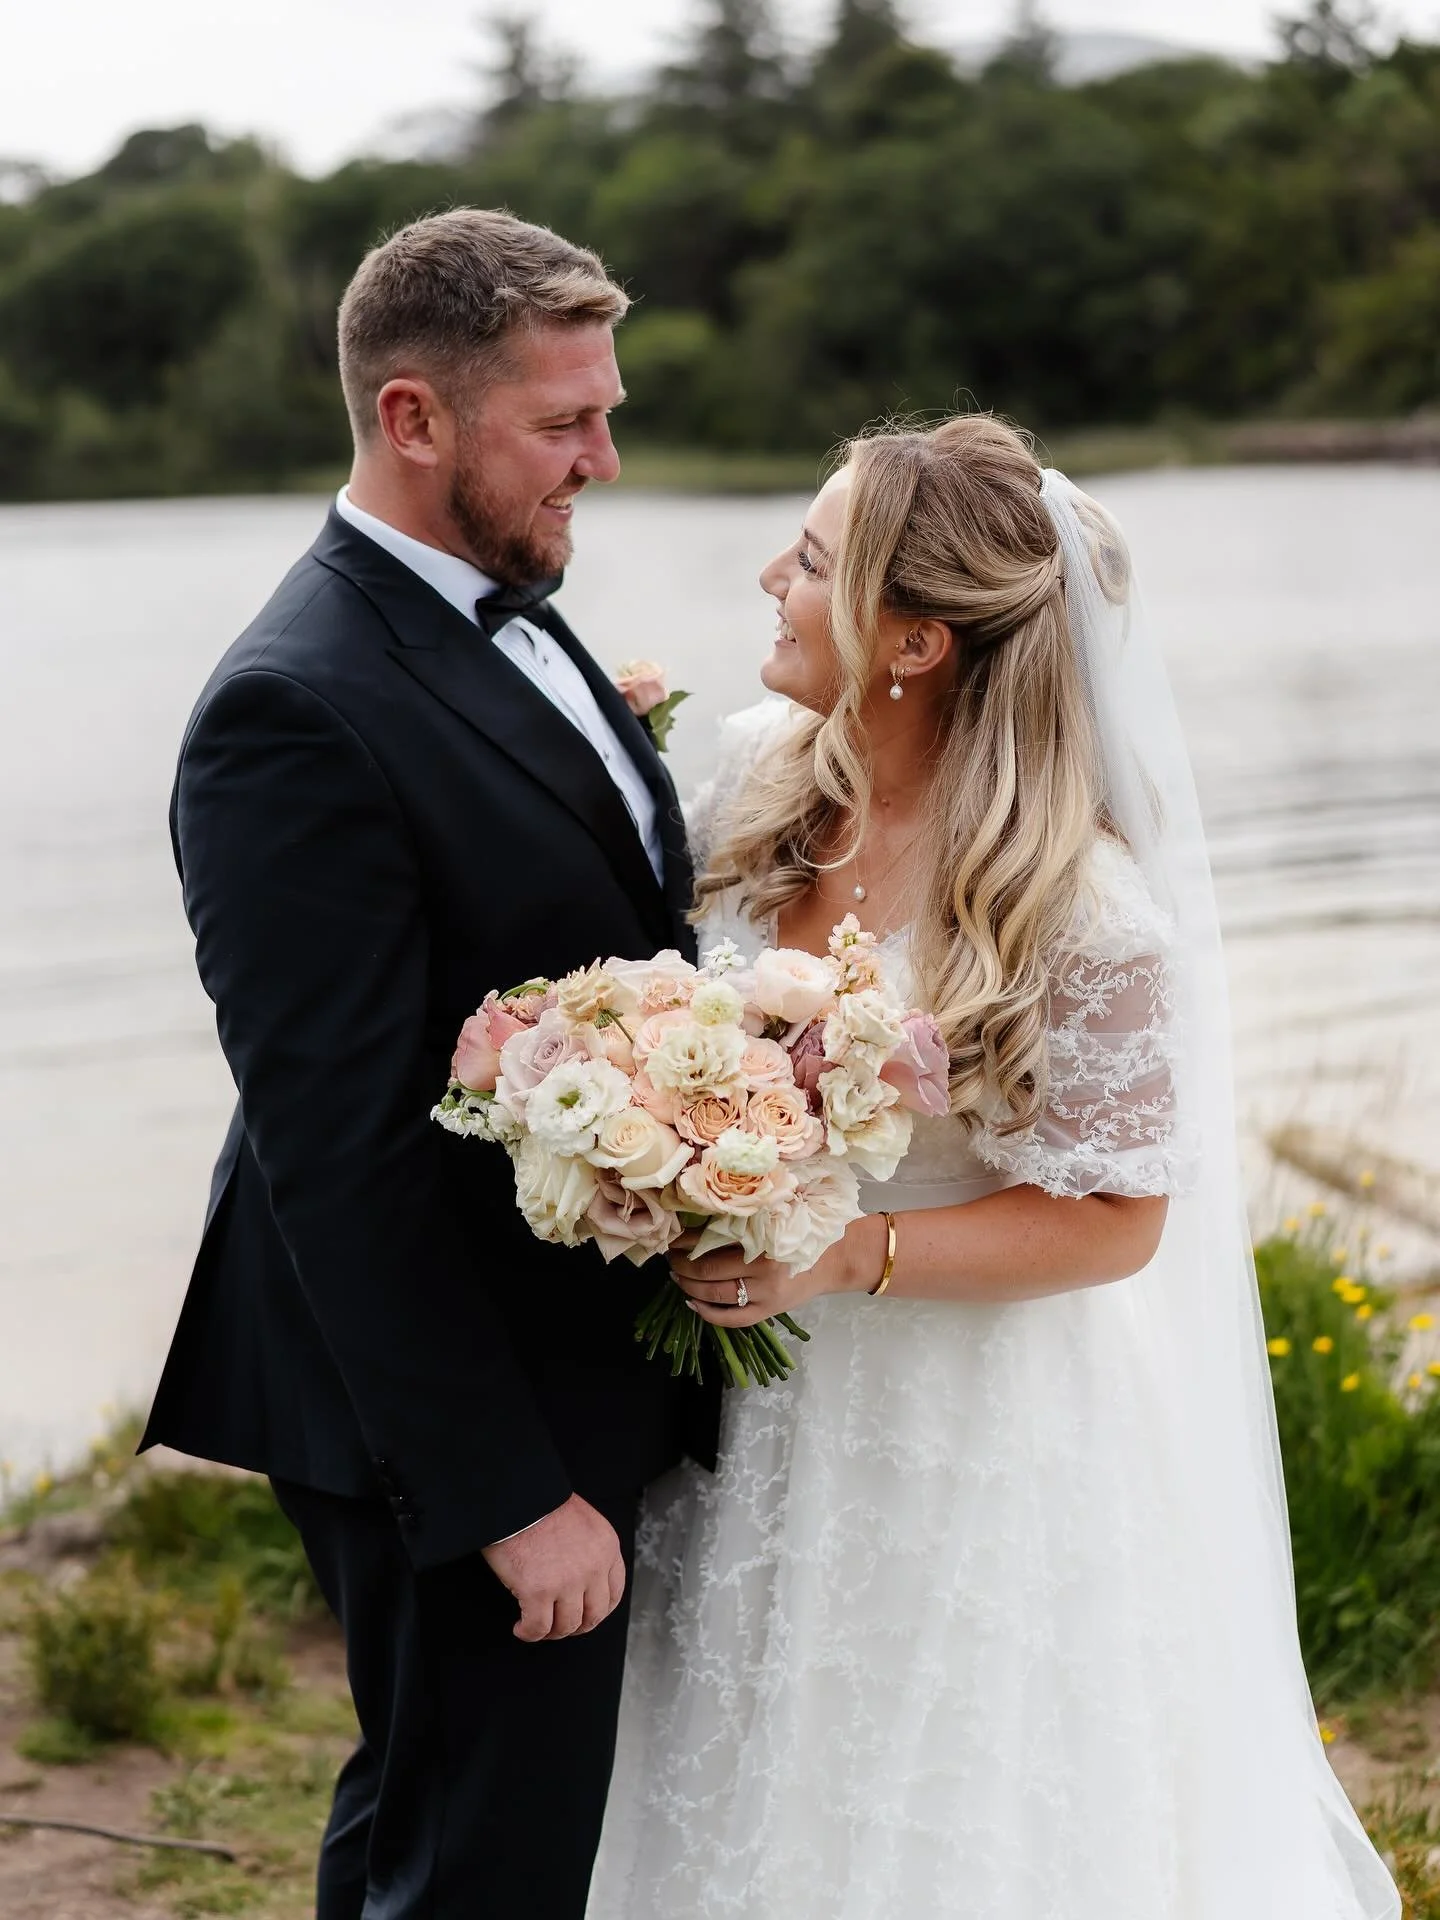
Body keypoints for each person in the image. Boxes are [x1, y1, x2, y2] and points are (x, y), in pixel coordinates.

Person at [589, 416, 1399, 1919]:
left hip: (971, 1416)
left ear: (914, 641)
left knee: (945, 1787)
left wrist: (845, 1254)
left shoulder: (1077, 907)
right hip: (757, 1401)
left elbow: (1113, 1225)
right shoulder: (764, 774)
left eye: (814, 559)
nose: (771, 577)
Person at [140, 208, 717, 1920]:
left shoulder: (510, 621)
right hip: (452, 1408)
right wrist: (502, 1493)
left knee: (444, 1830)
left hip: (555, 1360)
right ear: (412, 419)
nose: (603, 460)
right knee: (477, 1865)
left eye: (605, 413)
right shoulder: (290, 710)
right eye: (563, 423)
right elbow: (342, 1151)